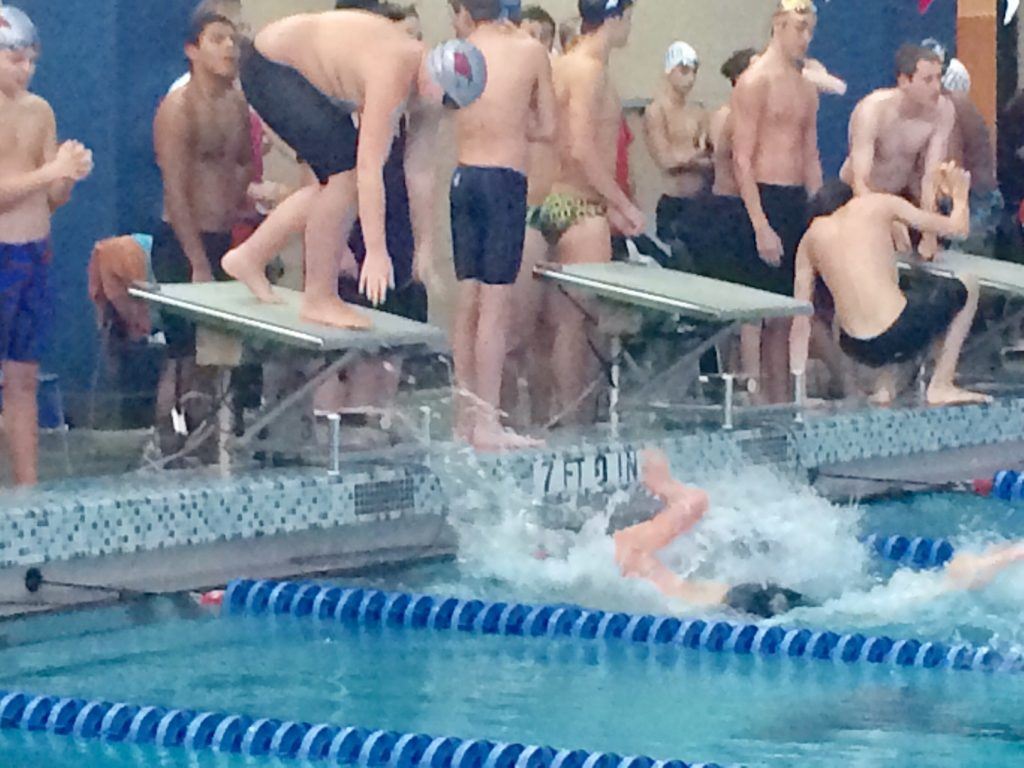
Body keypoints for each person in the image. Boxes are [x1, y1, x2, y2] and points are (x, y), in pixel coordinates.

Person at [221, 9, 487, 328]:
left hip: (291, 72)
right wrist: (375, 252)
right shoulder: (395, 70)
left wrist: (424, 248)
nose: (439, 107)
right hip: (271, 65)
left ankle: (250, 256)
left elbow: (420, 172)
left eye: (449, 105)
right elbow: (368, 169)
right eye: (441, 99)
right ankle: (319, 297)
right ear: (432, 73)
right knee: (344, 177)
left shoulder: (431, 96)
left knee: (333, 185)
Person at [616, 450, 1024, 618]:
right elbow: (694, 503)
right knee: (871, 607)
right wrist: (664, 483)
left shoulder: (616, 557)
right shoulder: (627, 545)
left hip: (745, 604)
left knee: (873, 608)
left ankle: (966, 574)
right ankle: (971, 571)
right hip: (747, 599)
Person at [790, 163, 990, 406]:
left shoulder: (809, 239)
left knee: (858, 305)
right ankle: (941, 384)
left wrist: (799, 393)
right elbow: (958, 230)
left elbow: (800, 319)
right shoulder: (878, 204)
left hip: (856, 348)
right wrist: (960, 194)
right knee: (967, 283)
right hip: (899, 333)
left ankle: (875, 388)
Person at [448, 0, 555, 450]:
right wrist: (516, 119)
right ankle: (488, 422)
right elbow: (549, 126)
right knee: (494, 308)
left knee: (466, 303)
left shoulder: (458, 50)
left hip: (463, 179)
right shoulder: (530, 50)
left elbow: (451, 108)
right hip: (503, 181)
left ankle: (463, 420)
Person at [531, 0, 644, 425]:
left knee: (553, 325)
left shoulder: (561, 63)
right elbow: (581, 148)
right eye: (629, 17)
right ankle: (574, 422)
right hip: (580, 206)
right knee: (578, 324)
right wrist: (621, 202)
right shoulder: (590, 69)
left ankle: (547, 417)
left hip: (548, 201)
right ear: (615, 18)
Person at [152, 11, 254, 454]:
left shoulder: (236, 104)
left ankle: (208, 440)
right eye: (217, 40)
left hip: (222, 239)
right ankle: (167, 444)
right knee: (183, 358)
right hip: (182, 241)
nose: (229, 48)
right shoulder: (177, 109)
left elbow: (238, 171)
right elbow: (176, 193)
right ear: (192, 50)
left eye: (232, 40)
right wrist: (196, 264)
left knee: (216, 356)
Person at [0, 6, 92, 486]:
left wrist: (69, 174)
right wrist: (48, 173)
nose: (26, 69)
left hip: (34, 254)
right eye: (15, 59)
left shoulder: (40, 111)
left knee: (22, 379)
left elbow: (50, 199)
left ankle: (27, 487)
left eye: (31, 60)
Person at [730, 0, 822, 405]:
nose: (805, 37)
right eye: (798, 28)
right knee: (760, 312)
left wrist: (818, 215)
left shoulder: (805, 88)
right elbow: (741, 159)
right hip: (762, 198)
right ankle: (759, 397)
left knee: (790, 312)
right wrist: (758, 223)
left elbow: (811, 155)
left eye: (810, 29)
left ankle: (782, 399)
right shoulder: (754, 82)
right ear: (778, 25)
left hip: (794, 201)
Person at [840, 44, 954, 259]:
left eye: (939, 78)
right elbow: (860, 181)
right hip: (857, 195)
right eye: (928, 80)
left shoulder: (942, 111)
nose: (936, 88)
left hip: (900, 196)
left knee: (924, 246)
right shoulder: (873, 110)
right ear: (904, 81)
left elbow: (930, 178)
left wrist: (929, 234)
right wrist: (886, 218)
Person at [646, 41, 711, 262]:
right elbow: (666, 160)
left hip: (699, 203)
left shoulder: (699, 111)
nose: (690, 78)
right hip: (673, 202)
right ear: (669, 71)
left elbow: (711, 158)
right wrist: (695, 156)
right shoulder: (657, 111)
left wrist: (686, 157)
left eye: (694, 72)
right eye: (684, 71)